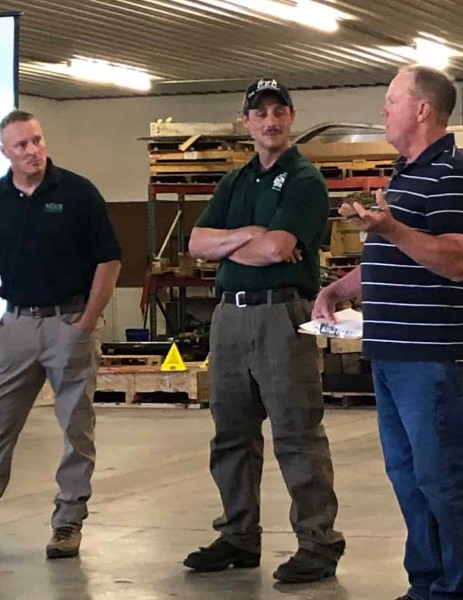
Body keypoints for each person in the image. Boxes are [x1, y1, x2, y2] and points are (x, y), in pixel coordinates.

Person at [313, 65, 463, 600]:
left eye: (390, 101)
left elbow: (455, 260)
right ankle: (425, 583)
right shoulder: (405, 173)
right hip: (391, 353)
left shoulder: (455, 173)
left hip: (432, 356)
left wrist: (389, 226)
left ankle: (455, 589)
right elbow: (393, 259)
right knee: (408, 477)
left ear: (422, 110)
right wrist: (339, 289)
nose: (383, 112)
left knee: (442, 477)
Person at [0, 109, 121, 559]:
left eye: (37, 140)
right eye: (22, 145)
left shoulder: (77, 192)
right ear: (4, 152)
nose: (33, 151)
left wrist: (86, 323)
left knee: (76, 428)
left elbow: (108, 262)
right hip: (17, 326)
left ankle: (68, 522)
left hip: (68, 322)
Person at [183, 79, 345, 583]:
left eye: (279, 112)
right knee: (231, 433)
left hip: (282, 316)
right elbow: (195, 244)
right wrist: (250, 236)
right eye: (261, 113)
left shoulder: (304, 181)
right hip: (229, 317)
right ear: (247, 121)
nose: (270, 121)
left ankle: (318, 545)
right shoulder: (234, 182)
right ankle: (238, 535)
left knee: (297, 434)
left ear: (291, 118)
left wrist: (234, 244)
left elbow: (278, 250)